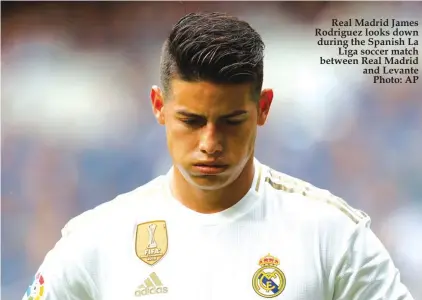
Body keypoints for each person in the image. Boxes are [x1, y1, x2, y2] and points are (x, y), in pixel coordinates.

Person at [23, 12, 414, 300]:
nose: (210, 142)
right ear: (158, 106)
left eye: (230, 121)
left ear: (263, 108)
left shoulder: (332, 234)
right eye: (191, 121)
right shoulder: (97, 240)